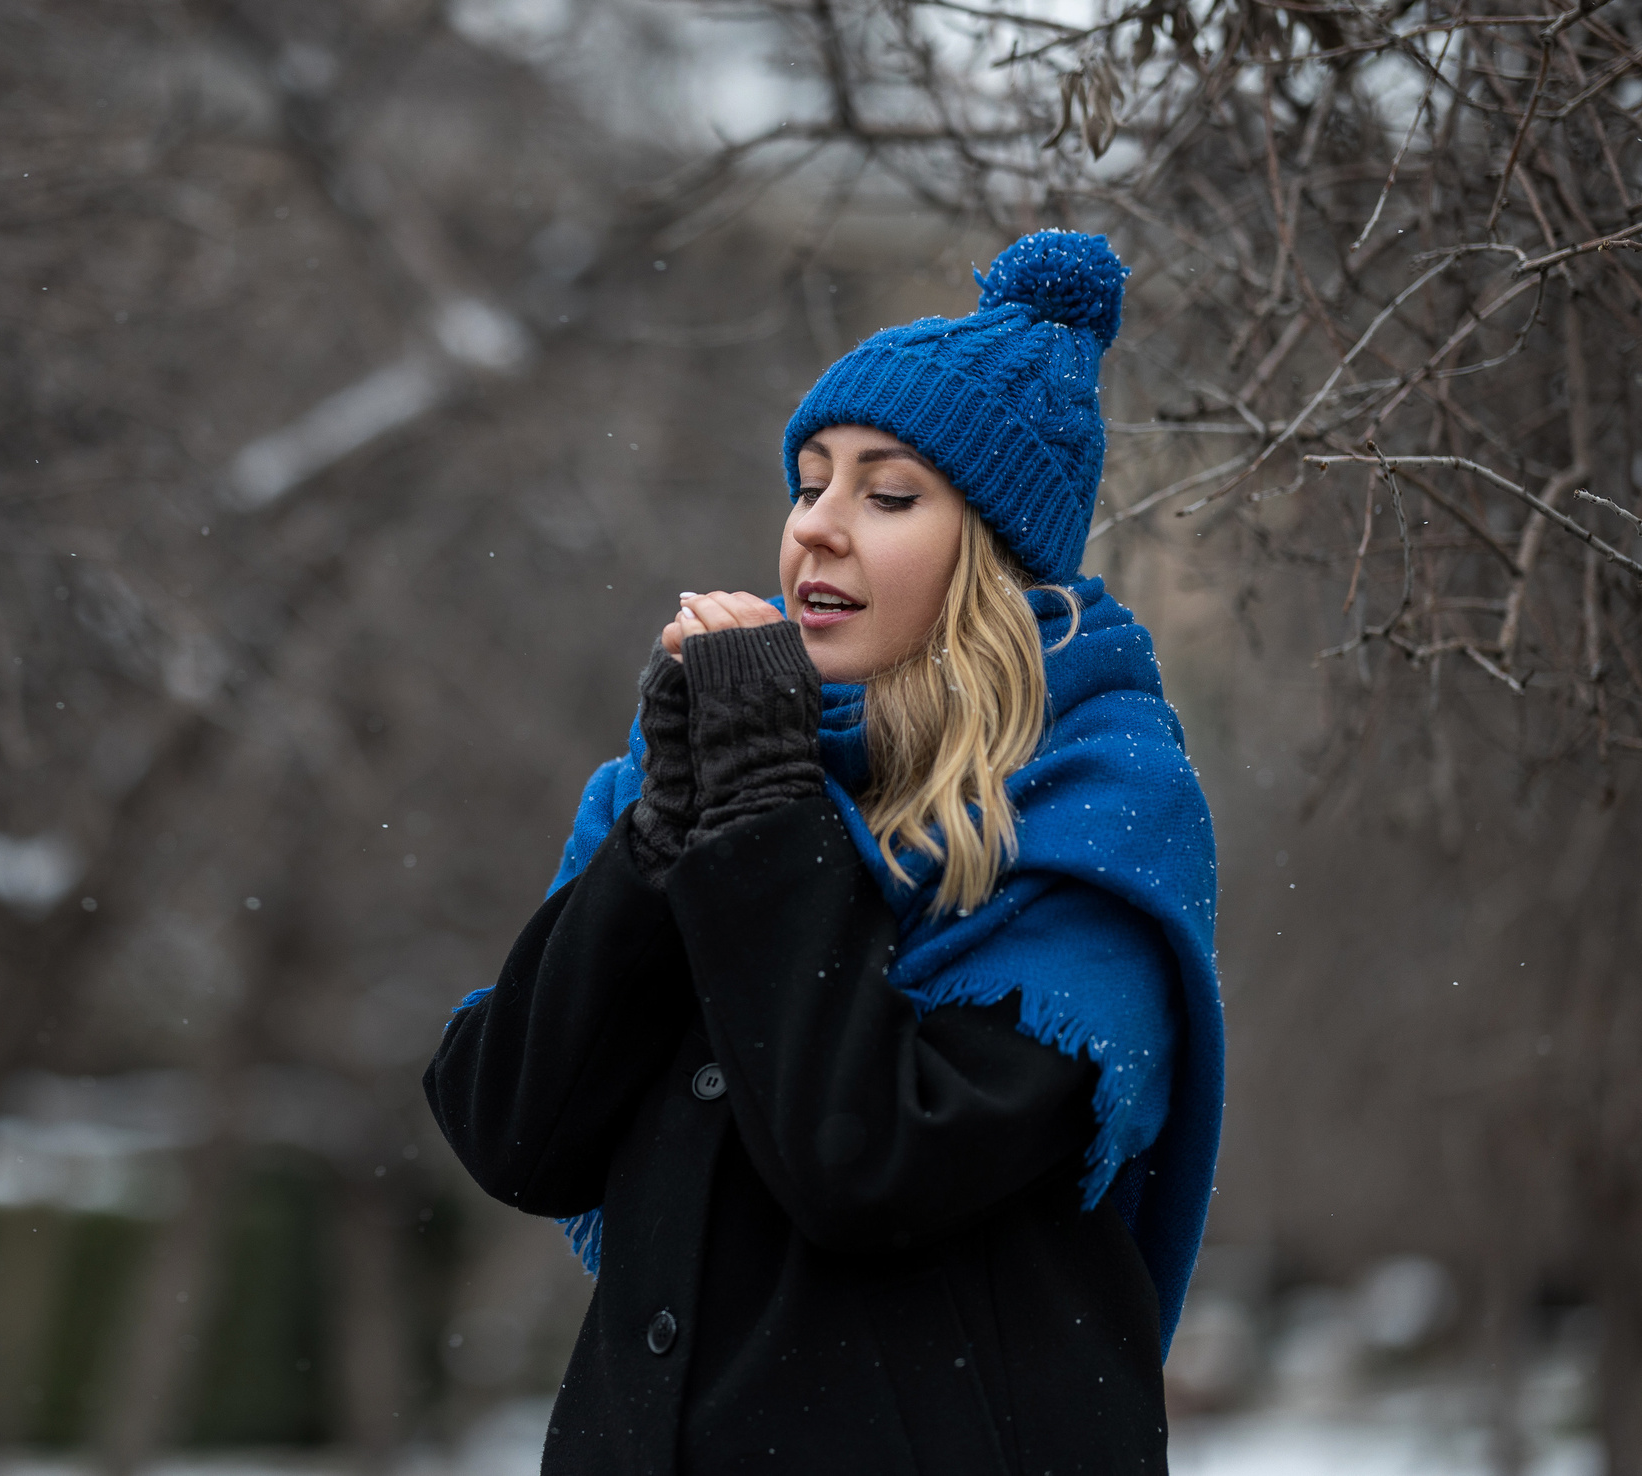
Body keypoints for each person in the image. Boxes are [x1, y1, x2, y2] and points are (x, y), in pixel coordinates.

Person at [424, 230, 1221, 1474]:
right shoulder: (725, 773)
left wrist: (754, 795)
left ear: (995, 557)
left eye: (887, 494)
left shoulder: (1091, 810)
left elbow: (869, 1159)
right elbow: (511, 1128)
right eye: (808, 485)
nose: (819, 531)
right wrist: (666, 821)